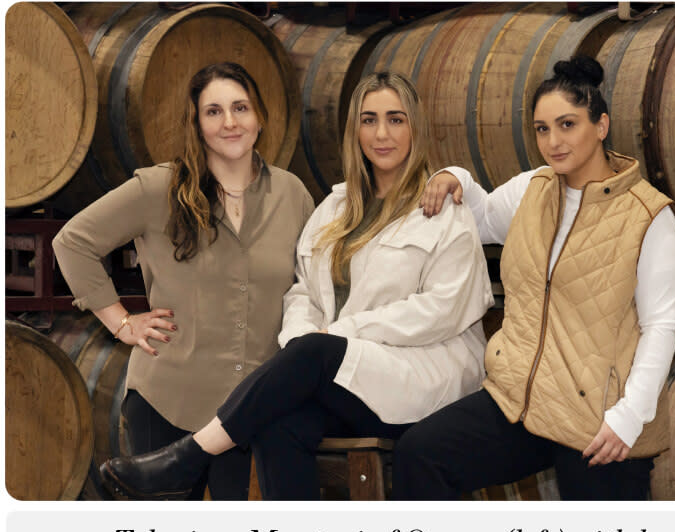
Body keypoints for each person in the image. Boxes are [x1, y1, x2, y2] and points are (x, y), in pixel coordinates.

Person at [96, 71, 494, 500]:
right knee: (277, 425)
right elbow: (303, 290)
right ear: (354, 130)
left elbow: (442, 309)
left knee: (315, 352)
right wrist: (303, 339)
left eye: (396, 119)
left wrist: (335, 337)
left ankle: (190, 456)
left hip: (419, 381)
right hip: (349, 380)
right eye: (369, 120)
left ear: (416, 127)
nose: (382, 134)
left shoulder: (443, 209)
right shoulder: (334, 208)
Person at [392, 56, 675, 500]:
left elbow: (661, 325)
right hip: (522, 402)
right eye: (542, 129)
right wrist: (454, 176)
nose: (553, 141)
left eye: (567, 125)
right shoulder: (533, 189)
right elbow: (480, 216)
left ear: (601, 125)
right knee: (420, 454)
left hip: (600, 419)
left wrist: (629, 417)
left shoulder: (649, 216)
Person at [53, 62, 314, 500]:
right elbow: (72, 242)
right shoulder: (158, 188)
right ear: (196, 123)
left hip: (253, 414)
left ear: (260, 117)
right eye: (213, 111)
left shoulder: (293, 195)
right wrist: (121, 322)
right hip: (168, 401)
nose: (229, 122)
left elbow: (312, 285)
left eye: (240, 108)